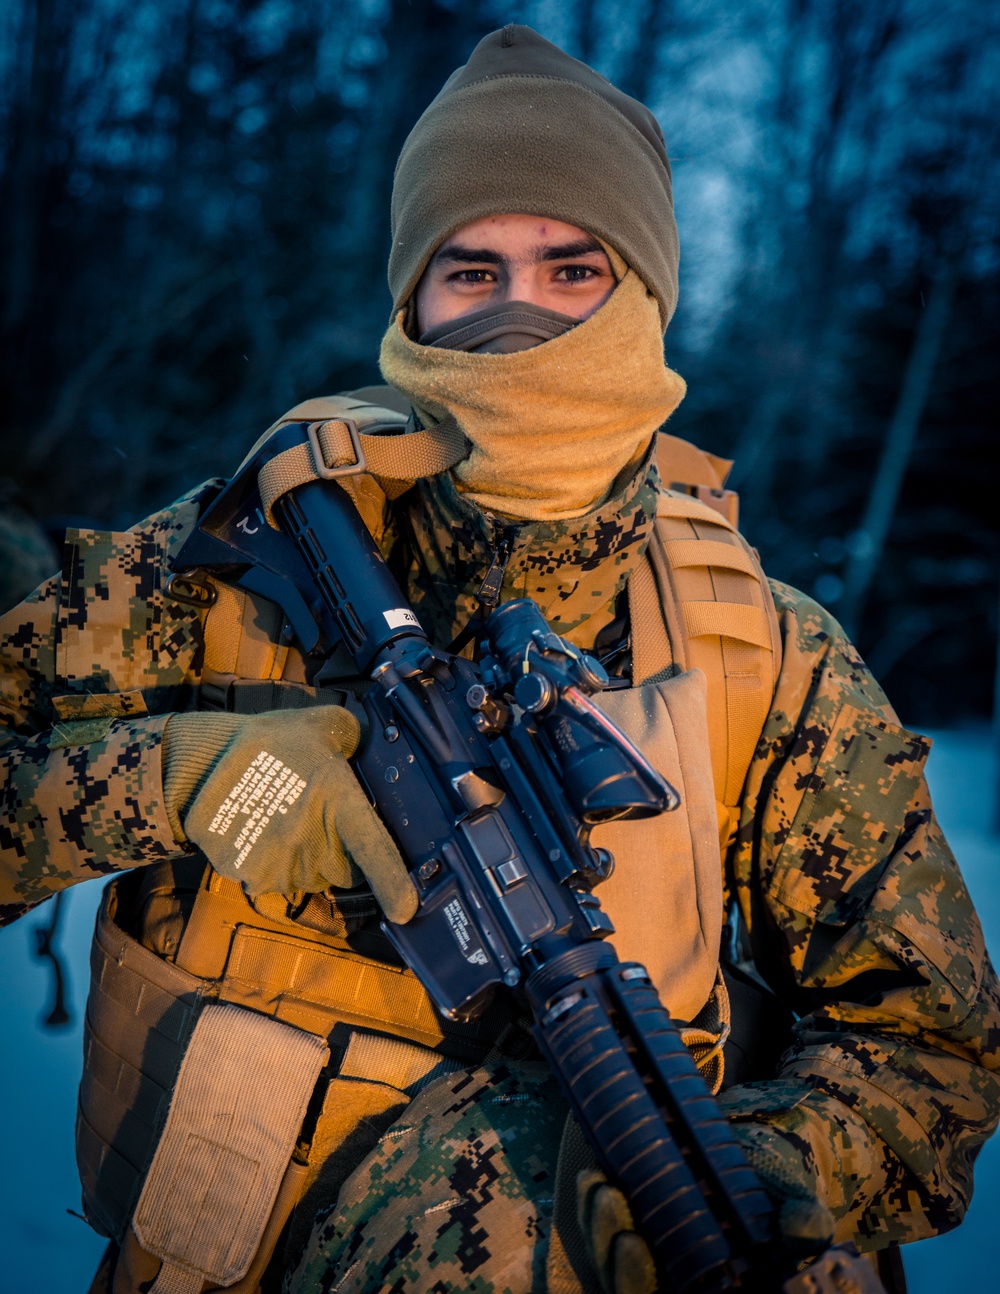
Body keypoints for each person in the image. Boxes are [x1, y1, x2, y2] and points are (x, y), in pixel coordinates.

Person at [1, 25, 997, 1294]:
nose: (518, 317)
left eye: (571, 267)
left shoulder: (772, 656)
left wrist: (753, 1175)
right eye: (470, 272)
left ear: (644, 297)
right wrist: (179, 779)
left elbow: (934, 1046)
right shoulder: (236, 565)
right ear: (410, 304)